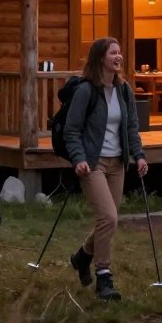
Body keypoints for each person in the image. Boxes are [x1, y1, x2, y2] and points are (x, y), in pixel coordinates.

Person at [64, 36, 148, 302]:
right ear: (101, 58)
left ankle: (82, 257)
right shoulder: (86, 90)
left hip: (118, 164)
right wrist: (78, 158)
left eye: (120, 52)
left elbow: (132, 127)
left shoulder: (124, 90)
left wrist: (139, 155)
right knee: (109, 219)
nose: (119, 57)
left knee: (108, 221)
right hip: (93, 163)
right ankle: (104, 277)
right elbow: (72, 129)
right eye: (113, 53)